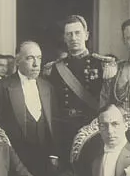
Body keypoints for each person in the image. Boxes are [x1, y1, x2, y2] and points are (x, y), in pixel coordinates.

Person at [0, 41, 60, 176]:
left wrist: (54, 154)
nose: (36, 64)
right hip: (16, 160)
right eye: (30, 58)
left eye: (39, 58)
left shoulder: (47, 87)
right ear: (17, 60)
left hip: (44, 159)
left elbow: (55, 124)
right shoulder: (2, 87)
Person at [48, 15, 117, 159]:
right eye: (69, 34)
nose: (73, 38)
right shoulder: (55, 68)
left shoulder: (102, 64)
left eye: (77, 33)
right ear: (64, 38)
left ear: (86, 35)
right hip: (64, 128)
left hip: (92, 126)